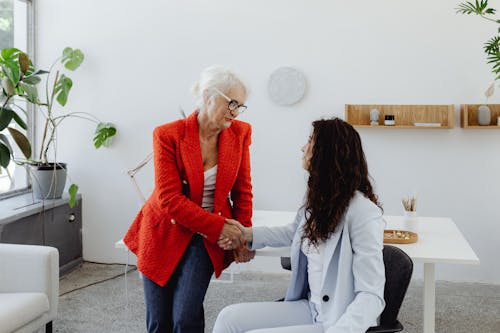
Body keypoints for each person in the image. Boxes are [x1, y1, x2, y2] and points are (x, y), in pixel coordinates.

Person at [214, 118, 386, 333]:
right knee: (228, 318)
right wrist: (246, 234)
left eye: (310, 141)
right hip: (310, 307)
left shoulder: (363, 212)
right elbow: (293, 232)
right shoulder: (320, 200)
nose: (303, 148)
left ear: (327, 152)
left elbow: (372, 295)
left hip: (335, 320)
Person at [123, 66, 255, 333]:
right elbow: (169, 199)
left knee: (185, 317)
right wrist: (221, 228)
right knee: (159, 322)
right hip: (162, 232)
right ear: (207, 96)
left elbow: (242, 190)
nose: (235, 112)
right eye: (231, 103)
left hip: (205, 237)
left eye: (240, 106)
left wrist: (243, 235)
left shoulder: (240, 133)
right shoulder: (168, 134)